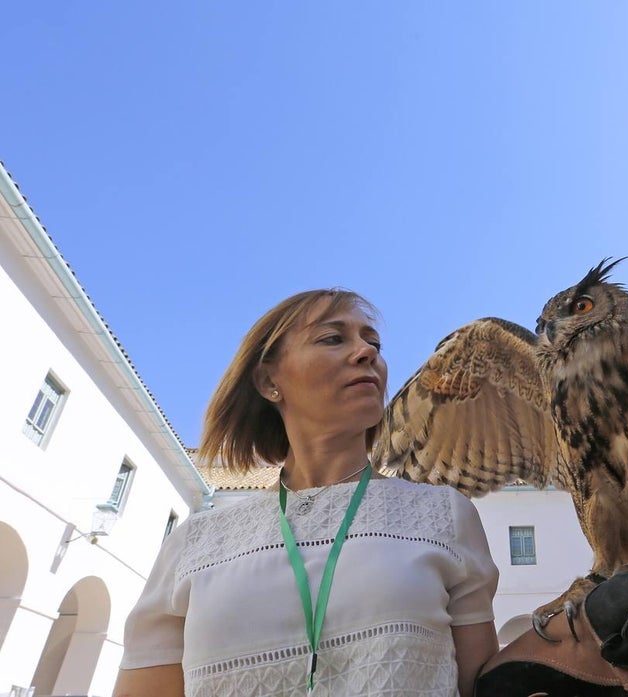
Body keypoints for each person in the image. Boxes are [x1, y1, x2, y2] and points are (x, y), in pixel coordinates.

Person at [113, 289, 499, 697]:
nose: (366, 352)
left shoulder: (443, 516)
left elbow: (481, 687)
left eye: (374, 342)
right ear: (268, 381)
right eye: (334, 338)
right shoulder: (193, 544)